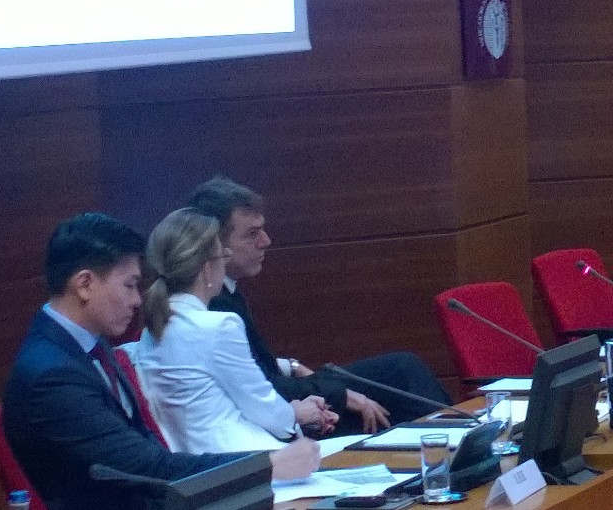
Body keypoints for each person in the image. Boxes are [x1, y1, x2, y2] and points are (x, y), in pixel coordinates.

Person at [2, 213, 320, 510]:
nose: (137, 300)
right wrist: (268, 465)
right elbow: (144, 467)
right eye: (129, 285)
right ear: (85, 284)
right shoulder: (51, 375)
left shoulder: (89, 344)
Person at [185, 177, 453, 434]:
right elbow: (263, 391)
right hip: (280, 421)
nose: (266, 241)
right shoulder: (213, 304)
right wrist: (338, 394)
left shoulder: (225, 290)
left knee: (401, 368)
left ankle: (457, 441)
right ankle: (455, 449)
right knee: (397, 392)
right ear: (215, 243)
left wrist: (291, 365)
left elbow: (251, 364)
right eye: (252, 234)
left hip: (284, 391)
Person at [129, 209, 339, 452]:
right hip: (246, 461)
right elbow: (263, 409)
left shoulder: (153, 330)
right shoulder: (218, 326)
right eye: (223, 256)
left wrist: (292, 410)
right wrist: (299, 412)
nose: (225, 263)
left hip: (195, 460)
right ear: (206, 269)